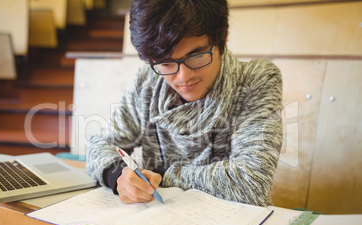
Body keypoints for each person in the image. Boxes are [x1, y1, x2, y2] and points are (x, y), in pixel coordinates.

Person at [87, 0, 283, 206]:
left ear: (222, 40)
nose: (183, 76)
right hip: (160, 222)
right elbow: (100, 144)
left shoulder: (256, 80)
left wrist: (161, 176)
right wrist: (118, 176)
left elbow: (252, 182)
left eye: (196, 56)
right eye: (166, 62)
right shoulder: (149, 81)